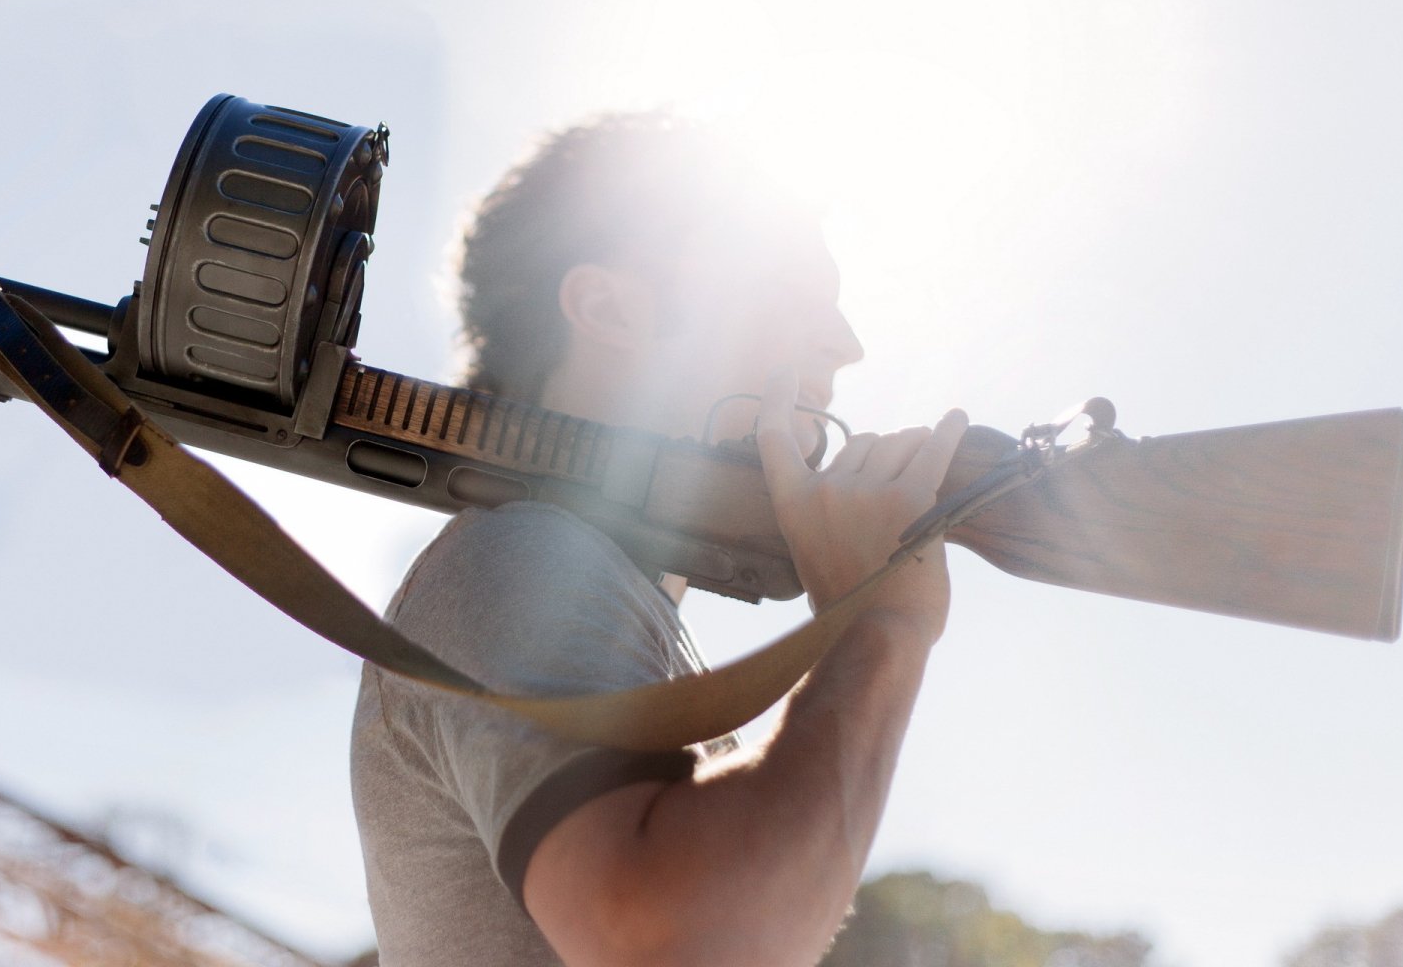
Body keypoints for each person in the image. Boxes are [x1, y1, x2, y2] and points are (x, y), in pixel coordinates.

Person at [350, 113, 967, 966]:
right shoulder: (528, 555)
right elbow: (678, 939)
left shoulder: (588, 581)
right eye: (784, 289)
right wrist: (883, 628)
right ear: (609, 307)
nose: (844, 341)